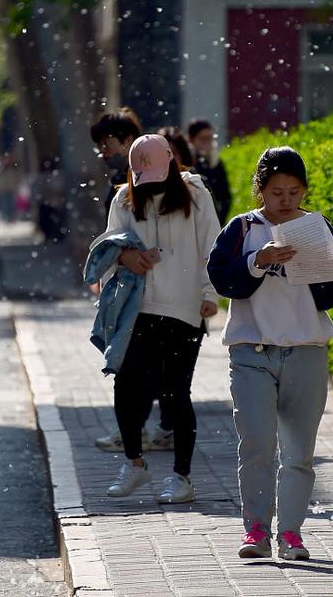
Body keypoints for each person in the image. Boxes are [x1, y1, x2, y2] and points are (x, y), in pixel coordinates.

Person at [206, 146, 333, 560]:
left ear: (304, 190)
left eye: (293, 191)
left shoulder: (315, 226)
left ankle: (291, 532)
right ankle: (256, 529)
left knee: (299, 450)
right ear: (260, 191)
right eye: (276, 192)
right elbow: (220, 277)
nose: (285, 200)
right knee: (255, 442)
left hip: (306, 349)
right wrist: (258, 260)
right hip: (251, 350)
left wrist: (310, 269)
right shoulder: (243, 228)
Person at [94, 134, 221, 503]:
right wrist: (125, 258)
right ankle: (135, 463)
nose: (148, 184)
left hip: (185, 310)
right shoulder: (123, 198)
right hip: (138, 309)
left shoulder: (195, 193)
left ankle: (182, 477)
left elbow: (212, 245)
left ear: (171, 163)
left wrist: (210, 294)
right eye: (141, 176)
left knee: (176, 393)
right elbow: (107, 248)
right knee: (126, 386)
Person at [89, 107, 142, 211]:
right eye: (99, 145)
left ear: (128, 140)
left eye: (106, 143)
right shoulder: (117, 179)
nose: (102, 150)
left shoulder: (142, 178)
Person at [188, 118, 232, 225]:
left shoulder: (216, 162)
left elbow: (226, 197)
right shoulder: (188, 162)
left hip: (214, 220)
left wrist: (218, 220)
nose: (207, 142)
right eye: (202, 138)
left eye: (210, 138)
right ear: (192, 140)